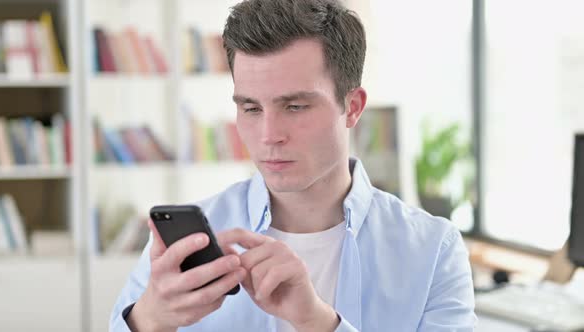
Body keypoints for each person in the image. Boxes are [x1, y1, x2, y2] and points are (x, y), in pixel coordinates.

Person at [110, 0, 477, 331]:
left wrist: (317, 323)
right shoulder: (187, 243)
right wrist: (151, 319)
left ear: (352, 107)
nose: (269, 135)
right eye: (251, 108)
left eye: (295, 106)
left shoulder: (433, 251)